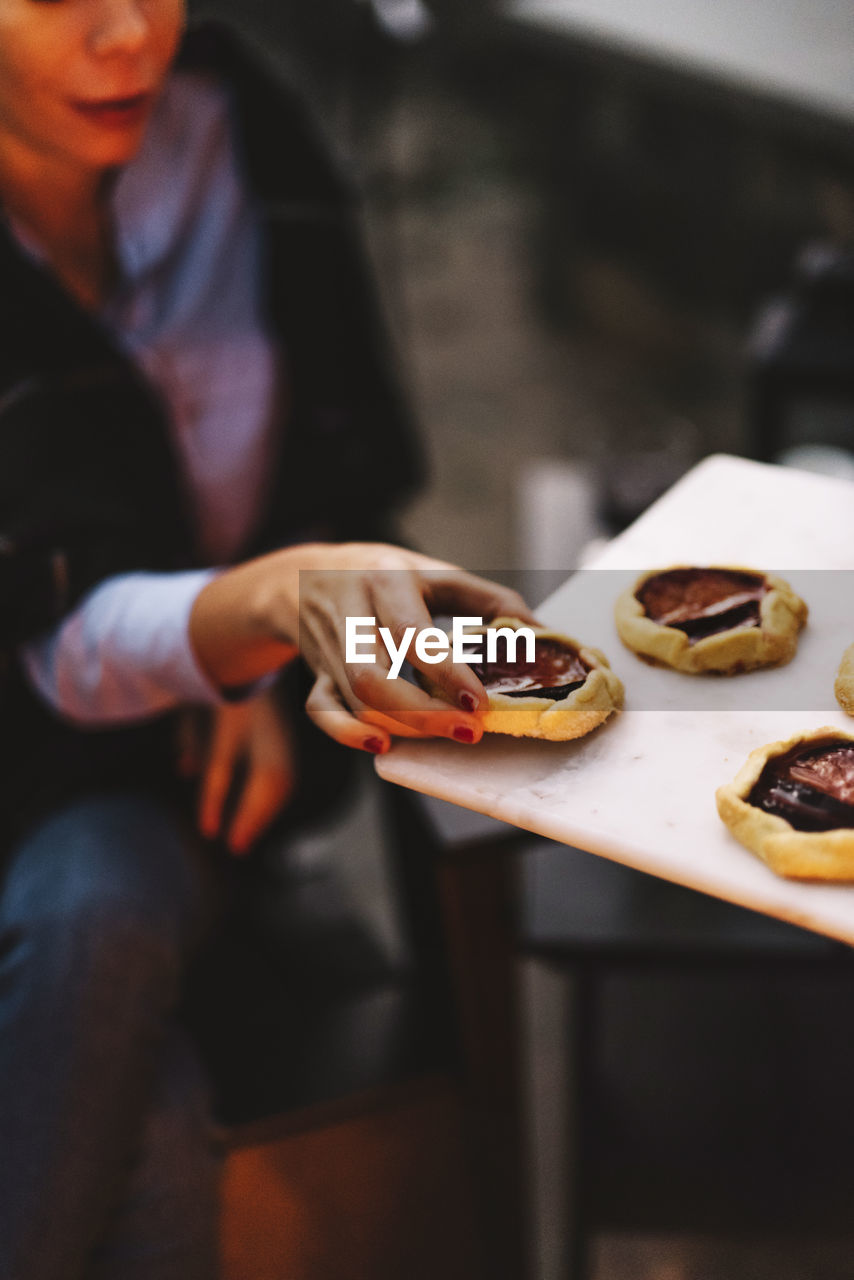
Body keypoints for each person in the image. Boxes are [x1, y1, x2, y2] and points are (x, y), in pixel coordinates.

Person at [0, 3, 534, 1277]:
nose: (127, 35)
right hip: (34, 773)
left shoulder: (249, 136)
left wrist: (249, 640)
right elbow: (43, 624)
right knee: (157, 1118)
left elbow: (340, 474)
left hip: (166, 791)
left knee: (105, 909)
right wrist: (249, 611)